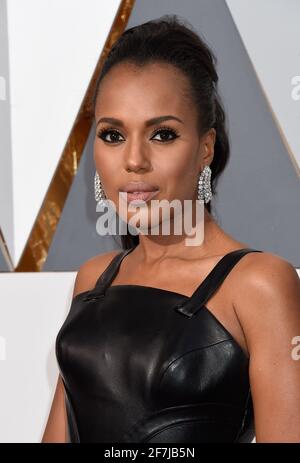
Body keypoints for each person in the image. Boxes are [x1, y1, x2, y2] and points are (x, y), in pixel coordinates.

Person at [42, 15, 300, 443]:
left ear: (205, 147)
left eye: (162, 134)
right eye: (112, 135)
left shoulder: (259, 284)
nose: (134, 160)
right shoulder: (95, 279)